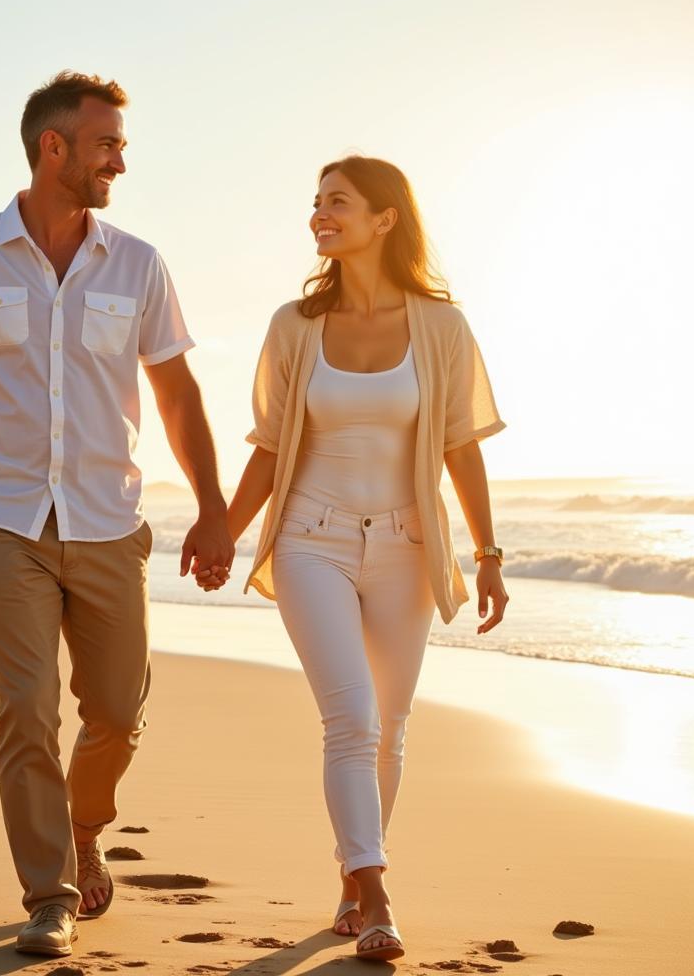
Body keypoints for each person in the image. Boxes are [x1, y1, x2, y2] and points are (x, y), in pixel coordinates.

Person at [0, 71, 233, 959]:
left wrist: (213, 508)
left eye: (120, 145)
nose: (121, 161)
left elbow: (176, 390)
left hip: (106, 519)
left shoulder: (138, 262)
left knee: (119, 710)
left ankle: (87, 826)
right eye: (106, 145)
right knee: (27, 710)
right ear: (54, 148)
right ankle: (48, 893)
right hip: (2, 520)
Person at [204, 156, 508, 962]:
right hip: (312, 537)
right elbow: (270, 448)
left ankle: (349, 871)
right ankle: (376, 892)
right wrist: (225, 530)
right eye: (315, 203)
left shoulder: (442, 326)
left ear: (385, 219)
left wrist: (488, 553)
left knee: (391, 728)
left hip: (409, 544)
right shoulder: (293, 326)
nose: (318, 216)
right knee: (352, 717)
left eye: (336, 202)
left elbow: (461, 448)